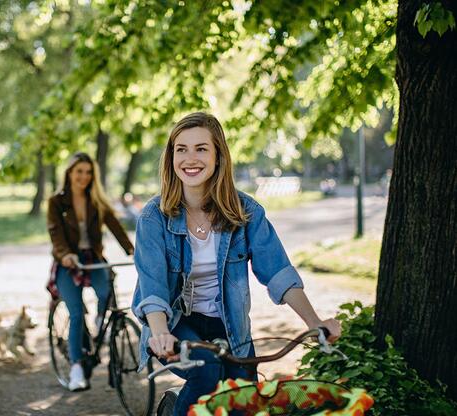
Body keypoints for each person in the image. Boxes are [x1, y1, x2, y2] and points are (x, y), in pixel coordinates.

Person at [131, 112, 341, 415]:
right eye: (182, 149)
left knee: (246, 404)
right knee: (206, 371)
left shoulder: (246, 212)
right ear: (171, 157)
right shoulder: (154, 217)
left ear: (218, 156)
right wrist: (161, 333)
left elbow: (278, 272)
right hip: (174, 323)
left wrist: (315, 323)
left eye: (201, 148)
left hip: (230, 327)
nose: (190, 158)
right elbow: (152, 285)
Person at [46, 152, 134, 391]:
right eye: (79, 172)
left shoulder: (96, 201)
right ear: (69, 173)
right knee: (75, 314)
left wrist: (132, 251)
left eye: (88, 172)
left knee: (106, 294)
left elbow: (116, 228)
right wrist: (65, 254)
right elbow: (55, 233)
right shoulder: (57, 202)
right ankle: (76, 369)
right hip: (69, 261)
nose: (83, 177)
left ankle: (98, 322)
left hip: (93, 258)